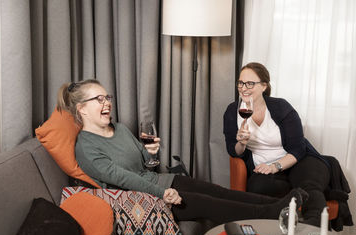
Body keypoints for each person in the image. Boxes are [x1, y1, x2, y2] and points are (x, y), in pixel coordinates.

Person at [56, 78, 308, 225]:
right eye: (99, 99)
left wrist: (152, 152)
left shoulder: (119, 129)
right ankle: (275, 213)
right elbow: (123, 178)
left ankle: (282, 203)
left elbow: (146, 165)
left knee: (220, 192)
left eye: (107, 97)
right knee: (214, 205)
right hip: (144, 201)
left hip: (161, 182)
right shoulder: (86, 147)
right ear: (81, 109)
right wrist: (162, 192)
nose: (107, 103)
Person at [223, 62, 330, 227]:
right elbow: (233, 151)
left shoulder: (281, 107)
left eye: (250, 83)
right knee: (259, 187)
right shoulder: (232, 111)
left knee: (309, 186)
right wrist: (241, 143)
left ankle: (315, 231)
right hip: (263, 167)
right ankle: (277, 233)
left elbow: (298, 148)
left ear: (264, 86)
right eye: (241, 82)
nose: (243, 88)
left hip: (297, 160)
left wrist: (275, 166)